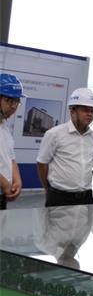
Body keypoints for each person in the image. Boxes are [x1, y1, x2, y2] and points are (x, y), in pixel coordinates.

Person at [37, 88, 93, 207]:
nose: (90, 114)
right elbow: (42, 164)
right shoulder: (54, 134)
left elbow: (91, 165)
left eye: (92, 110)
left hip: (86, 197)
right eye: (85, 110)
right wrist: (48, 188)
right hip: (59, 197)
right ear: (72, 110)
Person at [0, 73, 24, 209]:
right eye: (9, 100)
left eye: (16, 101)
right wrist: (4, 183)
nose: (14, 106)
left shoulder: (4, 127)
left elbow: (11, 158)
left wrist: (17, 181)